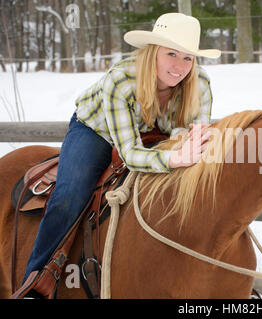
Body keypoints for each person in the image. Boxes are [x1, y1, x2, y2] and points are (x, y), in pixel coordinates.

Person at [13, 12, 220, 298]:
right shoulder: (120, 80)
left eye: (188, 58)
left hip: (156, 134)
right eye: (171, 53)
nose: (180, 66)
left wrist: (188, 149)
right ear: (153, 52)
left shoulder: (201, 85)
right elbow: (131, 153)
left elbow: (197, 139)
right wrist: (173, 158)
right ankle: (36, 281)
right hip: (98, 131)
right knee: (70, 194)